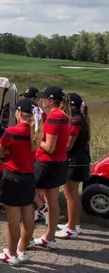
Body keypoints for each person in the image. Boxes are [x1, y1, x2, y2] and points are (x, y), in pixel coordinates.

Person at [0, 99, 43, 265]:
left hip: (12, 177)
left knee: (13, 220)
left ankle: (12, 253)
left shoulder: (12, 131)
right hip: (29, 178)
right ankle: (22, 249)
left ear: (19, 113)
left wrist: (7, 151)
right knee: (28, 216)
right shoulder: (35, 132)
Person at [30, 85, 71, 249]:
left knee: (29, 190)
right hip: (59, 162)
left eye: (44, 98)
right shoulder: (63, 116)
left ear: (51, 100)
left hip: (47, 161)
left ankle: (39, 214)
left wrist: (36, 137)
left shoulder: (54, 117)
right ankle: (50, 236)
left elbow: (50, 146)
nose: (41, 101)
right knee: (52, 199)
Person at [56, 93, 91, 239]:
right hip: (81, 161)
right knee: (74, 194)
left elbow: (69, 145)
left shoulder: (75, 121)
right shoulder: (81, 119)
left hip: (75, 162)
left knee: (69, 194)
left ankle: (71, 228)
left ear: (71, 105)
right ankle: (74, 224)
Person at [20, 86, 50, 222]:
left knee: (28, 183)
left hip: (34, 152)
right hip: (31, 151)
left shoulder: (39, 113)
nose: (26, 100)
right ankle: (40, 209)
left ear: (36, 99)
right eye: (25, 98)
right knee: (35, 186)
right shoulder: (30, 111)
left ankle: (42, 207)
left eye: (30, 98)